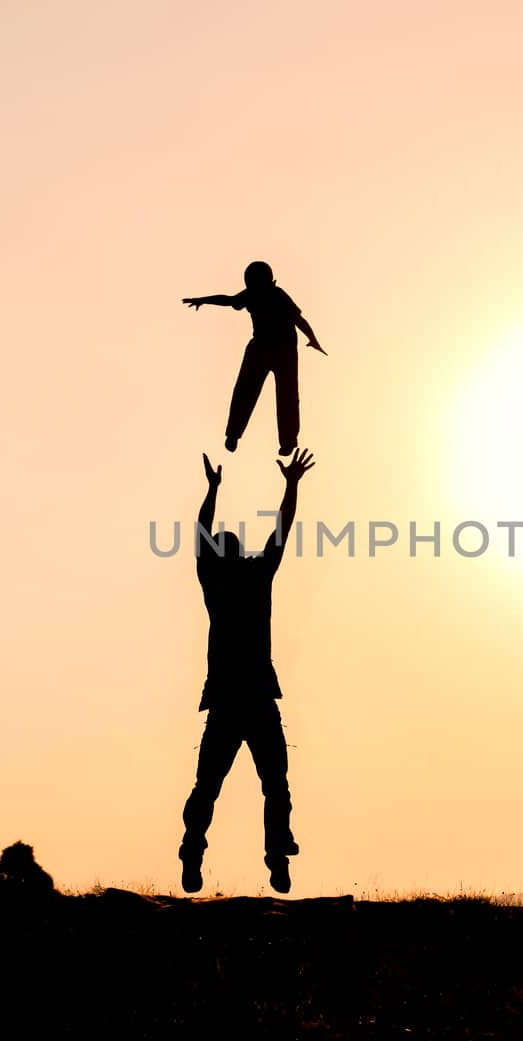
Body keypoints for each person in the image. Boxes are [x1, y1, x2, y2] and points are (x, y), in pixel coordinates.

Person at [179, 447, 315, 894]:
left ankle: (199, 850)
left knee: (216, 785)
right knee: (271, 783)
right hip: (250, 698)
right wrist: (291, 485)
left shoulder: (215, 581)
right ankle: (271, 852)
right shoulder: (253, 577)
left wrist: (212, 491)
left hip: (232, 699)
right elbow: (282, 528)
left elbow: (202, 533)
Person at [183, 261, 327, 456]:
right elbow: (229, 300)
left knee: (286, 395)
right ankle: (235, 434)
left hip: (283, 350)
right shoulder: (253, 293)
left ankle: (286, 440)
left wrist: (313, 339)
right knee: (246, 391)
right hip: (262, 347)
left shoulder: (278, 295)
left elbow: (298, 320)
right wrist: (204, 300)